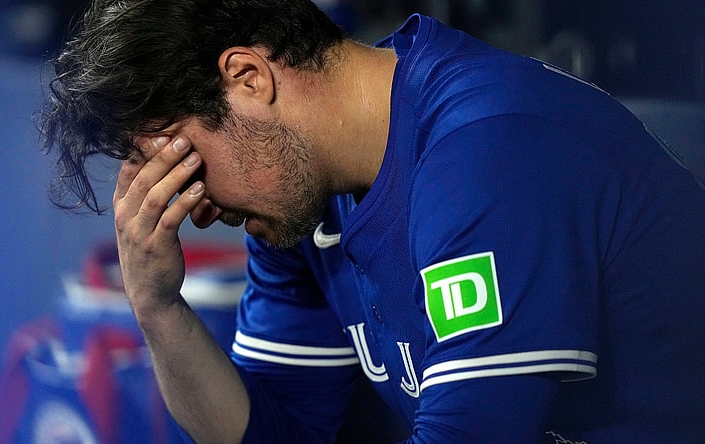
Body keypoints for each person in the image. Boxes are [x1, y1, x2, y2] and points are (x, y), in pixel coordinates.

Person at [38, 0, 705, 442]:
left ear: (247, 77)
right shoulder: (296, 201)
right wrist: (157, 307)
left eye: (187, 164)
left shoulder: (486, 148)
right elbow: (277, 433)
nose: (196, 209)